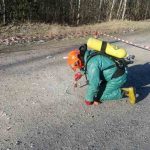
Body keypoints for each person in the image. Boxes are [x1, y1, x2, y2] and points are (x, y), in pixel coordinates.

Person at [67, 43, 136, 106]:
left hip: (117, 77)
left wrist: (88, 100)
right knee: (97, 92)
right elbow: (89, 66)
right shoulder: (89, 54)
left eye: (76, 66)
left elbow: (94, 85)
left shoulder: (92, 64)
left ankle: (127, 92)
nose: (78, 68)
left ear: (78, 62)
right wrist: (81, 73)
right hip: (115, 72)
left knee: (100, 96)